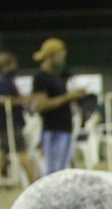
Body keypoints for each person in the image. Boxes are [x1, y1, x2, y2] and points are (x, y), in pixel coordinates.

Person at [31, 38, 87, 175]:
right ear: (52, 56)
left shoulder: (56, 77)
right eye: (61, 56)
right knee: (53, 172)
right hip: (53, 130)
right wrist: (67, 97)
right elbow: (41, 104)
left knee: (62, 170)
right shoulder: (41, 78)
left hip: (64, 128)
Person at [0, 51, 37, 184]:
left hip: (5, 123)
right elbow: (6, 100)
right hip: (9, 123)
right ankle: (33, 181)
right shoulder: (2, 81)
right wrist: (24, 99)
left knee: (2, 151)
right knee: (22, 151)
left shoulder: (2, 79)